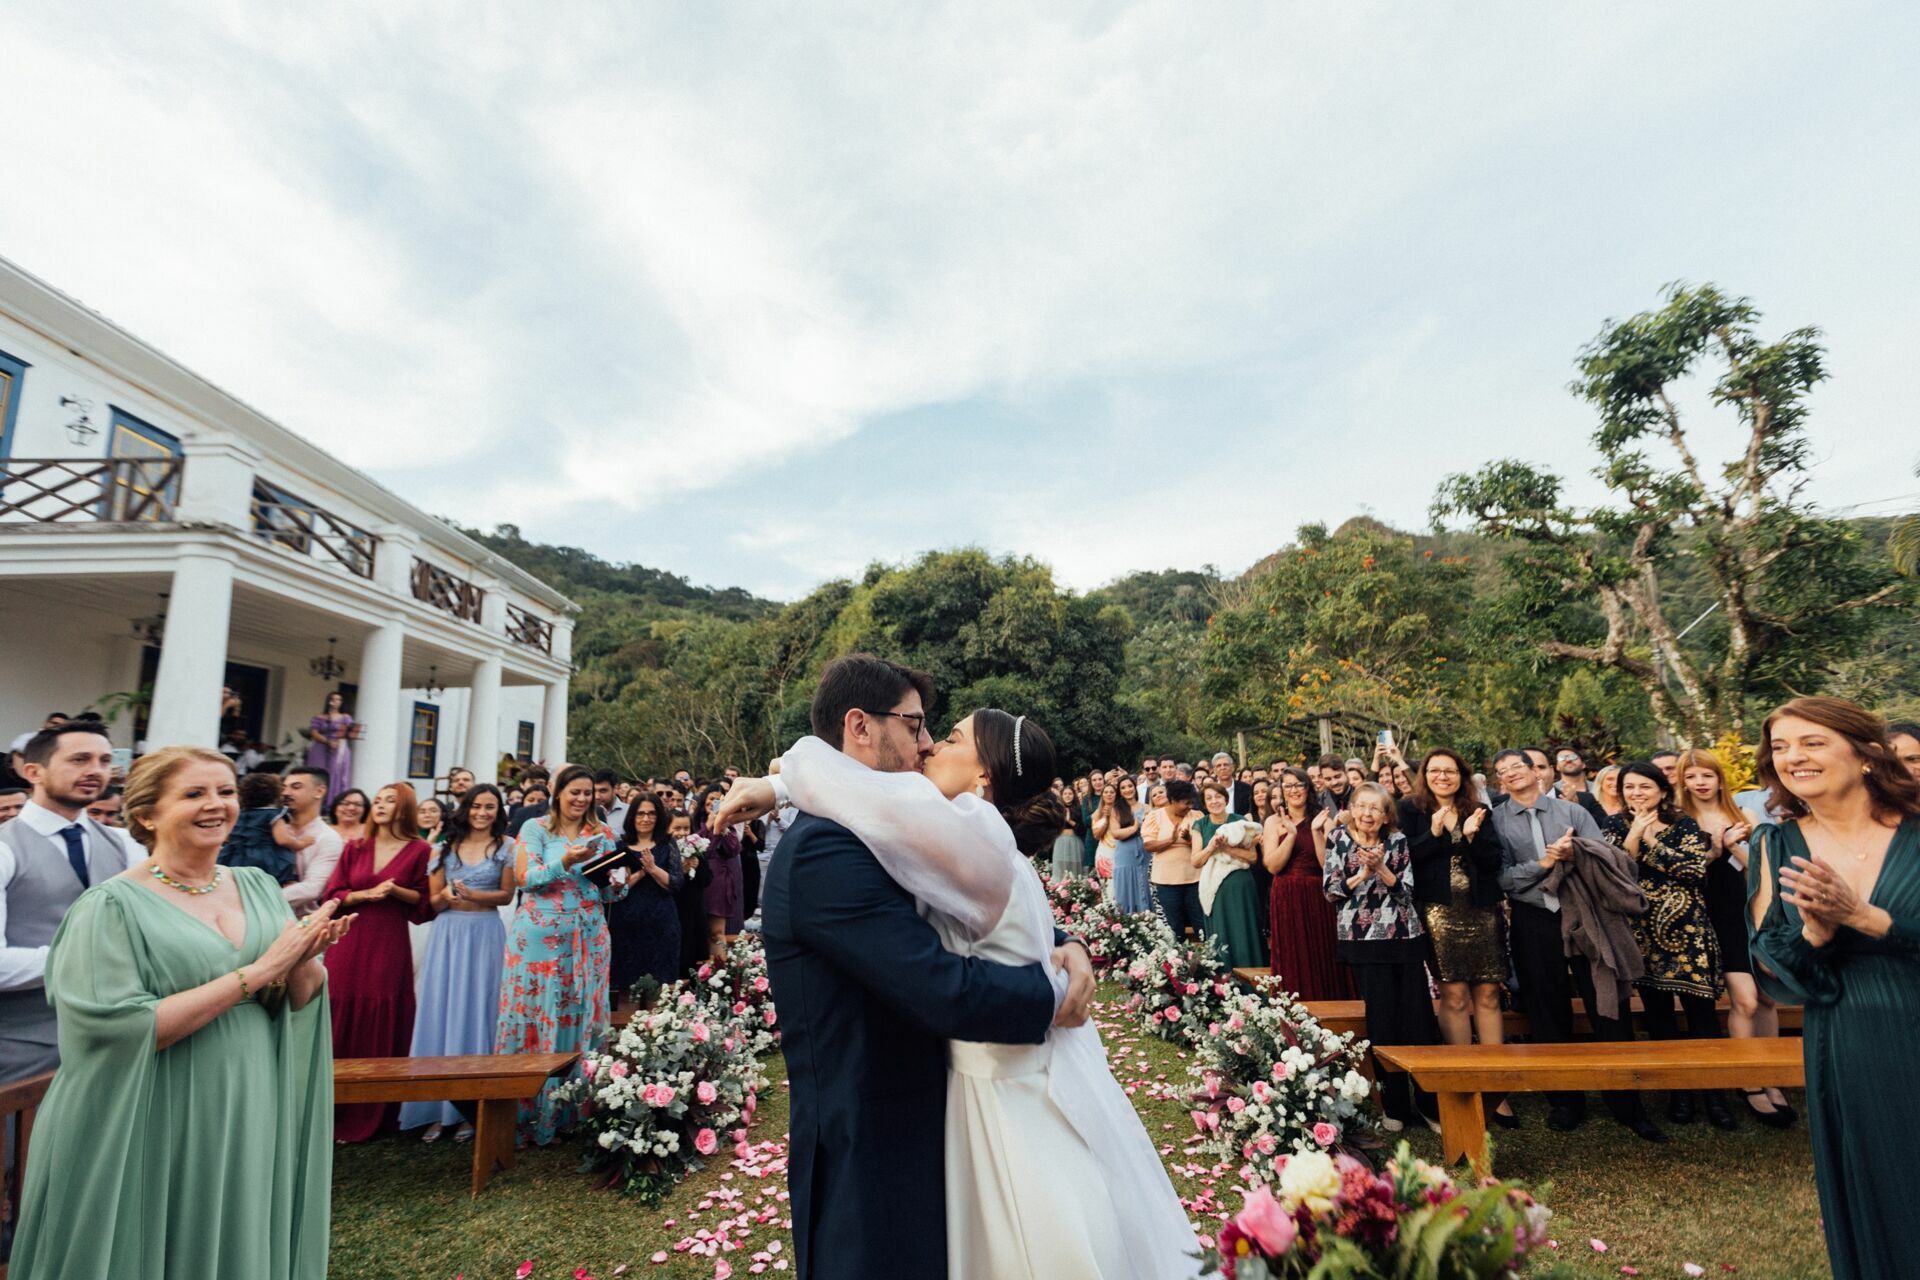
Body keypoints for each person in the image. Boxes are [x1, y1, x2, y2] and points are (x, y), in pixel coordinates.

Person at [720, 677, 1179, 1280]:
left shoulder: (947, 832)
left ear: (984, 775)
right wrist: (1052, 993)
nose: (930, 743)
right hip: (872, 1133)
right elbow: (939, 982)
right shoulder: (831, 846)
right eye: (916, 725)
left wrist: (1064, 946)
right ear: (861, 727)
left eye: (944, 733)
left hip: (976, 1103)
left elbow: (998, 917)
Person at [6, 746, 348, 1280]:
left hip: (250, 1099)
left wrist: (303, 960)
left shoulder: (257, 885)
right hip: (155, 1108)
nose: (217, 805)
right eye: (194, 794)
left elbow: (296, 998)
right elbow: (119, 1030)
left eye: (226, 791)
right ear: (146, 815)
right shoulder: (110, 906)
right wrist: (257, 973)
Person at [1747, 696, 1920, 1280]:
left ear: (1867, 754)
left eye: (1812, 742)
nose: (1793, 757)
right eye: (1780, 747)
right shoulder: (1775, 844)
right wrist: (1816, 934)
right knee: (1877, 1184)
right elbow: (1773, 965)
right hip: (1848, 1039)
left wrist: (1868, 919)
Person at [1489, 748, 1664, 1140]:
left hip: (1584, 915)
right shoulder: (1497, 821)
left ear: (1536, 771)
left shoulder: (1572, 813)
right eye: (1502, 771)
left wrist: (1576, 853)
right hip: (1533, 920)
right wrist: (1544, 865)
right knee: (1546, 1010)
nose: (1511, 774)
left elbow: (1607, 860)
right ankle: (1566, 1102)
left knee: (1606, 1004)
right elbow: (1501, 878)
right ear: (1500, 781)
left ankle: (1626, 1104)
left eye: (1517, 766)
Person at [495, 763, 627, 1144]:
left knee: (581, 1015)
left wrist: (620, 881)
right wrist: (565, 861)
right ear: (558, 794)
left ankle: (576, 1111)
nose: (582, 799)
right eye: (575, 792)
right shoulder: (534, 829)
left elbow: (610, 891)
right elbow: (526, 878)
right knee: (539, 1013)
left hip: (587, 935)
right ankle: (531, 1114)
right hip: (539, 938)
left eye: (588, 793)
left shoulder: (601, 833)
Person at [0, 721, 138, 1084]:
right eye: (79, 759)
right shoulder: (4, 848)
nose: (96, 770)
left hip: (110, 1037)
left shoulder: (124, 844)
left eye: (105, 760)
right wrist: (89, 957)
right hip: (23, 1048)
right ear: (33, 771)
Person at [1604, 762, 1731, 1129]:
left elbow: (1694, 871)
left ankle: (1714, 1095)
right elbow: (1615, 873)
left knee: (1702, 1018)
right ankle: (1679, 1094)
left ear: (1662, 791)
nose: (1637, 793)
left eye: (1645, 787)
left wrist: (1651, 841)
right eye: (1630, 787)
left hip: (1689, 932)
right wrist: (1633, 837)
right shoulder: (1613, 825)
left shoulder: (1684, 824)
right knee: (1659, 1019)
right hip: (1640, 934)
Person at [1678, 747, 1793, 1126]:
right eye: (1692, 776)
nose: (1700, 782)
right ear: (1683, 782)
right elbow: (1683, 875)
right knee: (1743, 1000)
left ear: (1719, 778)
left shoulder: (1743, 814)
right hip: (1707, 918)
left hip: (1748, 912)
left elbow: (1763, 870)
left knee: (1766, 997)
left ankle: (1772, 1074)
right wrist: (1714, 849)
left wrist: (1734, 847)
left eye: (1706, 775)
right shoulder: (1680, 821)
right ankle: (1748, 1081)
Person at [1401, 748, 1514, 1125]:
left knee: (1487, 991)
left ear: (1461, 776)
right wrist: (1433, 833)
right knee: (1453, 993)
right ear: (1425, 775)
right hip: (1438, 912)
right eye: (1435, 770)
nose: (1442, 776)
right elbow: (1404, 858)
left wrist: (1470, 837)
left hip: (1481, 909)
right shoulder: (1410, 810)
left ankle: (1496, 1088)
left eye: (1450, 771)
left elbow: (1493, 861)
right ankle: (1464, 1080)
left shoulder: (1477, 810)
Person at [401, 784, 515, 1142]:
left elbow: (508, 894)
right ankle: (435, 1108)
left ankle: (470, 1109)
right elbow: (433, 901)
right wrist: (447, 896)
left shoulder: (506, 847)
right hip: (449, 933)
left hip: (484, 932)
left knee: (480, 1011)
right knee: (443, 1009)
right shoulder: (442, 849)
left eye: (490, 807)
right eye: (477, 806)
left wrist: (475, 894)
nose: (483, 812)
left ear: (498, 811)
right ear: (465, 809)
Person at [321, 783, 433, 1143]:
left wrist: (395, 891)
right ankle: (328, 1105)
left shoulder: (420, 850)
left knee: (382, 1010)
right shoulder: (355, 847)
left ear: (405, 809)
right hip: (349, 938)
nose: (381, 805)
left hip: (388, 941)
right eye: (379, 800)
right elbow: (332, 894)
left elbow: (424, 904)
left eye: (391, 801)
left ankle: (377, 1110)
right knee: (337, 1007)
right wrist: (365, 894)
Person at [1322, 782, 1435, 1131]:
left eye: (1376, 808)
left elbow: (1407, 893)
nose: (1368, 814)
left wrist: (1384, 869)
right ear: (1352, 809)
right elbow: (1331, 891)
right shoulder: (1338, 839)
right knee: (1382, 1020)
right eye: (1362, 806)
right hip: (1362, 939)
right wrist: (1362, 874)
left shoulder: (1397, 842)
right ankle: (1395, 1107)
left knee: (1418, 1019)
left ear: (1386, 815)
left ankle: (1430, 1103)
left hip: (1403, 936)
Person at [1262, 766, 1348, 1000]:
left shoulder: (1324, 820)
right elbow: (1272, 866)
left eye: (1299, 785)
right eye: (1288, 786)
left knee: (1322, 951)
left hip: (1317, 893)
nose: (1294, 790)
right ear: (1281, 790)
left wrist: (1316, 832)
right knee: (1292, 953)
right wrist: (1290, 836)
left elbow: (1326, 867)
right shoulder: (1272, 822)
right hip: (1286, 893)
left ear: (1307, 788)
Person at [606, 793, 684, 991]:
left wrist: (653, 869)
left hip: (661, 923)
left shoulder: (667, 844)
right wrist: (640, 873)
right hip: (626, 923)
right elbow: (615, 889)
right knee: (625, 987)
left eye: (651, 813)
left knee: (659, 988)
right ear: (632, 816)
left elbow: (676, 884)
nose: (645, 818)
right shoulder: (620, 846)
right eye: (640, 814)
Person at [1189, 782, 1263, 968]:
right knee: (1221, 933)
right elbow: (1196, 860)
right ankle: (1225, 982)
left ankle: (1251, 979)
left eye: (1218, 797)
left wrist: (1227, 849)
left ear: (1226, 799)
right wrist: (1212, 847)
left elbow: (1252, 857)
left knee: (1244, 930)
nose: (1215, 801)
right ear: (1204, 804)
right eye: (1209, 798)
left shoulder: (1240, 821)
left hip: (1240, 885)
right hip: (1215, 889)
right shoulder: (1200, 825)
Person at [217, 771, 311, 884]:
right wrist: (301, 844)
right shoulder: (273, 814)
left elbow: (227, 837)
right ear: (275, 793)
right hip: (263, 859)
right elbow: (282, 839)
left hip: (234, 857)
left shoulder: (239, 814)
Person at [1140, 779, 1202, 938]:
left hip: (1195, 878)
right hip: (1166, 881)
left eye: (1191, 803)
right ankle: (1178, 960)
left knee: (1200, 922)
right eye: (1185, 803)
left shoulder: (1197, 816)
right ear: (1173, 800)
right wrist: (1170, 841)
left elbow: (1205, 844)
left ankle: (1207, 960)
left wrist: (1190, 840)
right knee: (1174, 925)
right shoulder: (1155, 816)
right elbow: (1148, 846)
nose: (1189, 806)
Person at [280, 767, 345, 917]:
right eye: (284, 787)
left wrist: (257, 901)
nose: (286, 793)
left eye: (296, 787)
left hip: (301, 925)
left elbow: (313, 888)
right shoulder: (273, 829)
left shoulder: (328, 838)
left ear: (319, 792)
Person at [699, 786, 744, 961]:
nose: (713, 803)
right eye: (710, 798)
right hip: (697, 881)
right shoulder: (695, 822)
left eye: (718, 800)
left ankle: (720, 978)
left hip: (718, 881)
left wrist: (722, 826)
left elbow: (734, 849)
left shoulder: (727, 824)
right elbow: (697, 849)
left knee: (717, 932)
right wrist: (709, 825)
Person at [305, 692, 354, 807]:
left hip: (338, 746)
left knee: (336, 774)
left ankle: (333, 803)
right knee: (318, 774)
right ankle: (315, 803)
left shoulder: (345, 718)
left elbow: (349, 732)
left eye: (339, 699)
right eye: (334, 699)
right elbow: (313, 733)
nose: (336, 702)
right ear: (329, 701)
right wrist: (327, 741)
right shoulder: (319, 717)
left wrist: (338, 741)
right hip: (320, 746)